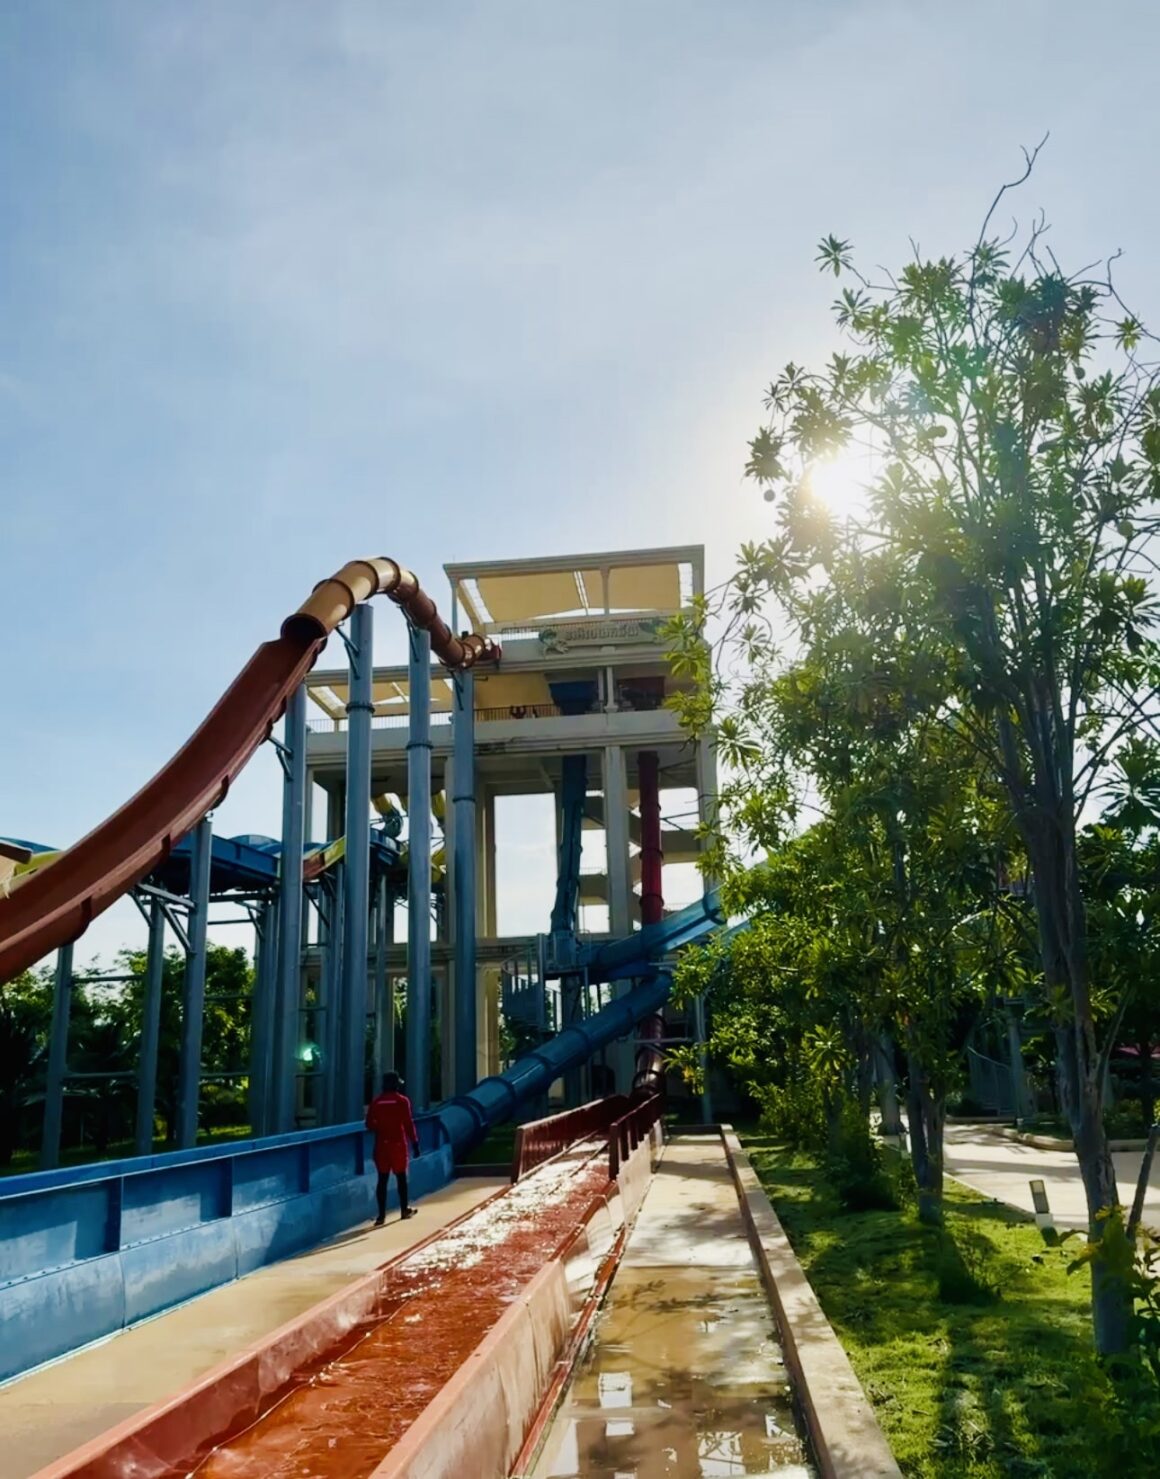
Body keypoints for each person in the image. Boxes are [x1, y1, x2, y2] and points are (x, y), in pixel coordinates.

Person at [364, 1071, 421, 1225]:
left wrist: (380, 1127)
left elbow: (369, 1124)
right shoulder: (402, 1101)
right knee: (401, 1177)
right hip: (398, 1144)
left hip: (381, 1145)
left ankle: (381, 1216)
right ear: (396, 1085)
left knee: (382, 1179)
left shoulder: (376, 1102)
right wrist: (415, 1143)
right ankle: (404, 1210)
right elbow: (408, 1124)